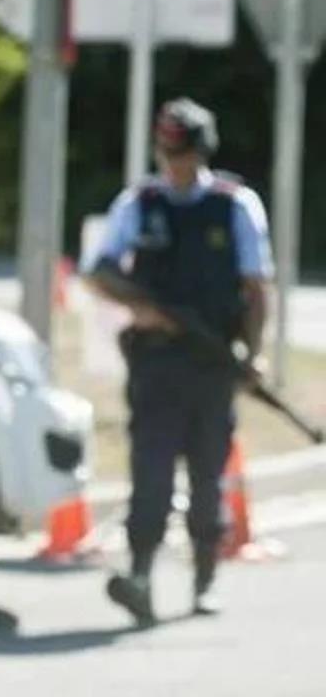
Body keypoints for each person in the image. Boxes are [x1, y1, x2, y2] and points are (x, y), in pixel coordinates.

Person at [84, 97, 273, 626]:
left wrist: (253, 355)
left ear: (201, 152)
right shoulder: (139, 202)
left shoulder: (234, 204)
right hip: (156, 362)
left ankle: (204, 577)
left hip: (212, 362)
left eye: (183, 154)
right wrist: (144, 310)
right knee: (151, 472)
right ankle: (140, 574)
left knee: (208, 474)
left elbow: (257, 287)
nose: (175, 165)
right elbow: (99, 271)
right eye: (168, 154)